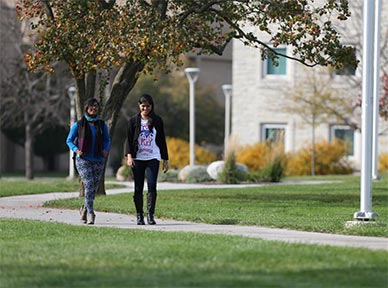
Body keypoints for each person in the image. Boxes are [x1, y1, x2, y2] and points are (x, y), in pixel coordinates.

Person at [126, 94, 169, 225]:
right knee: (138, 187)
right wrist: (129, 156)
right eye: (143, 106)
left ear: (151, 106)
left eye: (148, 106)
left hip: (153, 157)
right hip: (137, 158)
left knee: (152, 186)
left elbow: (162, 140)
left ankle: (150, 215)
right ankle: (139, 215)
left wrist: (165, 159)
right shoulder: (133, 121)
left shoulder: (157, 120)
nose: (145, 108)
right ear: (139, 106)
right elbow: (128, 139)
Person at [66, 97, 110, 225]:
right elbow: (69, 140)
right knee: (89, 184)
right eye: (92, 106)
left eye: (96, 106)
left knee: (93, 188)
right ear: (86, 108)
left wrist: (105, 150)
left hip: (98, 159)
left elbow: (107, 140)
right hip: (83, 159)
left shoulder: (102, 125)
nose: (94, 108)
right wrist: (76, 150)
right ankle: (91, 213)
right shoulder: (78, 125)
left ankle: (84, 208)